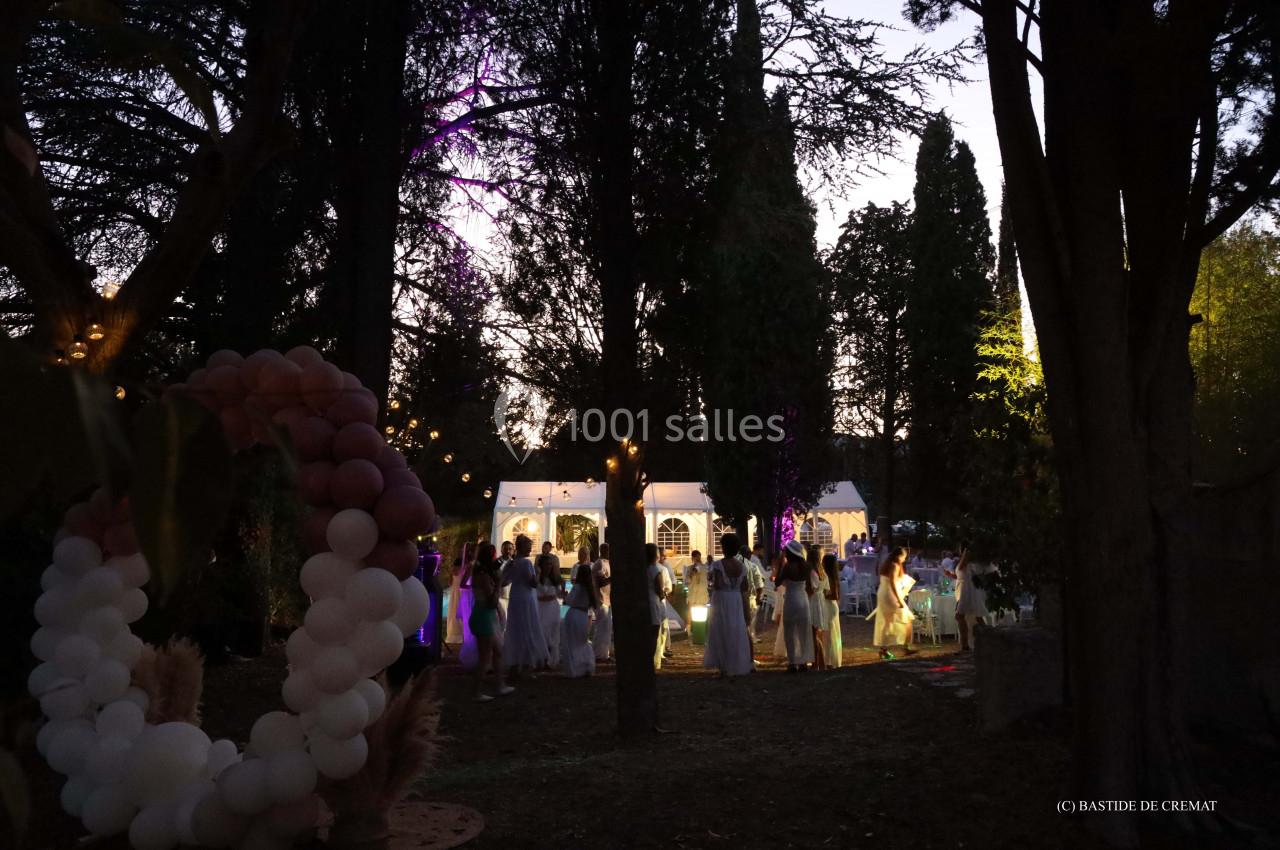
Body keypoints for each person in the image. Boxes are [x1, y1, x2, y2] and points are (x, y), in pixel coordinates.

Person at [468, 543, 514, 701]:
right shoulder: (482, 575)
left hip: (486, 616)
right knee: (484, 658)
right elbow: (492, 602)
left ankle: (499, 685)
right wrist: (499, 583)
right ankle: (476, 692)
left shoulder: (483, 572)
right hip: (484, 617)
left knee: (498, 651)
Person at [704, 533, 754, 677]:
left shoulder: (718, 565)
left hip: (722, 600)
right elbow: (745, 588)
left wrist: (711, 581)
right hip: (736, 599)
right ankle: (735, 663)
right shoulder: (741, 566)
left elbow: (718, 585)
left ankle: (723, 666)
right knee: (735, 630)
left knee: (721, 630)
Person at [501, 535, 549, 675]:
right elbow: (533, 583)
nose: (530, 549)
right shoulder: (526, 563)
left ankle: (516, 661)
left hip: (515, 597)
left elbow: (504, 581)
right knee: (529, 625)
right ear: (522, 547)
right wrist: (539, 573)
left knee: (516, 627)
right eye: (529, 546)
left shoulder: (512, 562)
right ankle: (529, 661)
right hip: (526, 598)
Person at [560, 546, 598, 678]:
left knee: (573, 643)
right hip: (582, 615)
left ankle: (576, 667)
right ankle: (584, 665)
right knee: (582, 641)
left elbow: (569, 601)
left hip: (573, 615)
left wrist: (564, 595)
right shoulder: (590, 590)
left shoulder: (577, 588)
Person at [873, 547, 916, 660]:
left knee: (887, 622)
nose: (904, 559)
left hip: (883, 593)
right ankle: (905, 647)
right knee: (906, 619)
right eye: (904, 557)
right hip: (890, 595)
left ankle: (885, 650)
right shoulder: (894, 565)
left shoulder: (887, 564)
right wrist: (899, 599)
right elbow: (892, 582)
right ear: (899, 556)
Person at [945, 543, 988, 651]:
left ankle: (965, 645)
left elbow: (963, 572)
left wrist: (967, 549)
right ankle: (981, 640)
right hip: (965, 591)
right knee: (976, 617)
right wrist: (951, 575)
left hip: (966, 592)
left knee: (961, 616)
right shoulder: (969, 564)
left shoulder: (967, 562)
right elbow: (961, 575)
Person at [779, 539, 814, 672]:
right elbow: (810, 584)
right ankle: (804, 661)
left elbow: (777, 582)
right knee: (803, 630)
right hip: (803, 598)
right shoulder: (807, 566)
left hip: (791, 598)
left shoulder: (788, 567)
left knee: (790, 631)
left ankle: (793, 662)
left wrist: (781, 565)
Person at [535, 553, 564, 669]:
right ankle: (542, 659)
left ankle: (552, 660)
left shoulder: (554, 579)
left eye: (550, 564)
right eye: (547, 564)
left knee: (553, 633)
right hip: (541, 608)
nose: (549, 567)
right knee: (542, 633)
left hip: (553, 608)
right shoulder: (537, 578)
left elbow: (560, 595)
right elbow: (536, 593)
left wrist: (562, 593)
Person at [646, 543, 668, 670]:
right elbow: (659, 589)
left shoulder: (642, 569)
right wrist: (663, 594)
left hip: (644, 601)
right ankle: (651, 661)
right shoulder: (655, 570)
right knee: (654, 632)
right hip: (654, 601)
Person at [808, 544, 830, 670]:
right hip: (820, 600)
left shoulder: (812, 572)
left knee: (814, 634)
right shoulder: (822, 571)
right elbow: (827, 589)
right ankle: (820, 662)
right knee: (817, 634)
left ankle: (818, 663)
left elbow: (812, 588)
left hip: (814, 602)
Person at [820, 553, 843, 668]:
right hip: (829, 606)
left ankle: (829, 661)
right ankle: (828, 660)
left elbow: (835, 595)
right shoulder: (832, 576)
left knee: (828, 635)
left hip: (829, 606)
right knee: (828, 634)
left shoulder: (829, 577)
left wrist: (822, 594)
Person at [591, 543, 613, 661]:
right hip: (601, 598)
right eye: (608, 550)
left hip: (607, 599)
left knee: (607, 628)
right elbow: (600, 581)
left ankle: (604, 654)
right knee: (601, 628)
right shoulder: (599, 563)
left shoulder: (608, 562)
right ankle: (598, 654)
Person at [739, 545, 764, 642]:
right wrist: (758, 598)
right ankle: (751, 637)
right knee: (751, 620)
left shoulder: (735, 565)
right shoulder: (753, 566)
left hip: (737, 597)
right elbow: (759, 584)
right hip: (750, 597)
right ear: (748, 555)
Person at [684, 550, 709, 621]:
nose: (698, 560)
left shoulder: (704, 567)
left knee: (701, 614)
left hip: (702, 594)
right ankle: (689, 628)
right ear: (692, 558)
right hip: (693, 594)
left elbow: (707, 578)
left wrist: (697, 567)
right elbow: (687, 581)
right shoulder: (689, 568)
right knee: (690, 612)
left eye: (699, 558)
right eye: (696, 558)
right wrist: (692, 573)